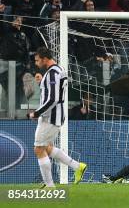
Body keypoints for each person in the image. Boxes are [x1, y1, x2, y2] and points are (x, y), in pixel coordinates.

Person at [28, 47, 87, 187]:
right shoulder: (58, 70)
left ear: (44, 58)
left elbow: (53, 99)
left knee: (38, 149)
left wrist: (36, 113)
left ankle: (50, 187)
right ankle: (77, 166)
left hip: (50, 117)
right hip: (55, 116)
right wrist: (42, 81)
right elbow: (54, 91)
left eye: (37, 60)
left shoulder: (53, 74)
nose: (36, 63)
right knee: (47, 148)